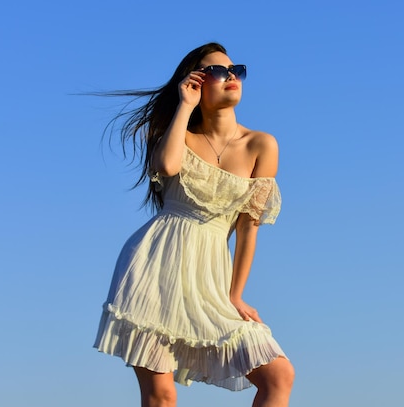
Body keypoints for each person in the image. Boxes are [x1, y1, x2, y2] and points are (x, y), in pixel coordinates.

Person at [93, 42, 295, 407]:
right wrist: (184, 106)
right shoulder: (178, 135)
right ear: (195, 83)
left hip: (211, 276)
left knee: (278, 375)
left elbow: (249, 228)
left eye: (236, 70)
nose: (231, 76)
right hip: (156, 265)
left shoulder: (261, 145)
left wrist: (235, 295)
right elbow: (167, 167)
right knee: (162, 395)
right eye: (217, 71)